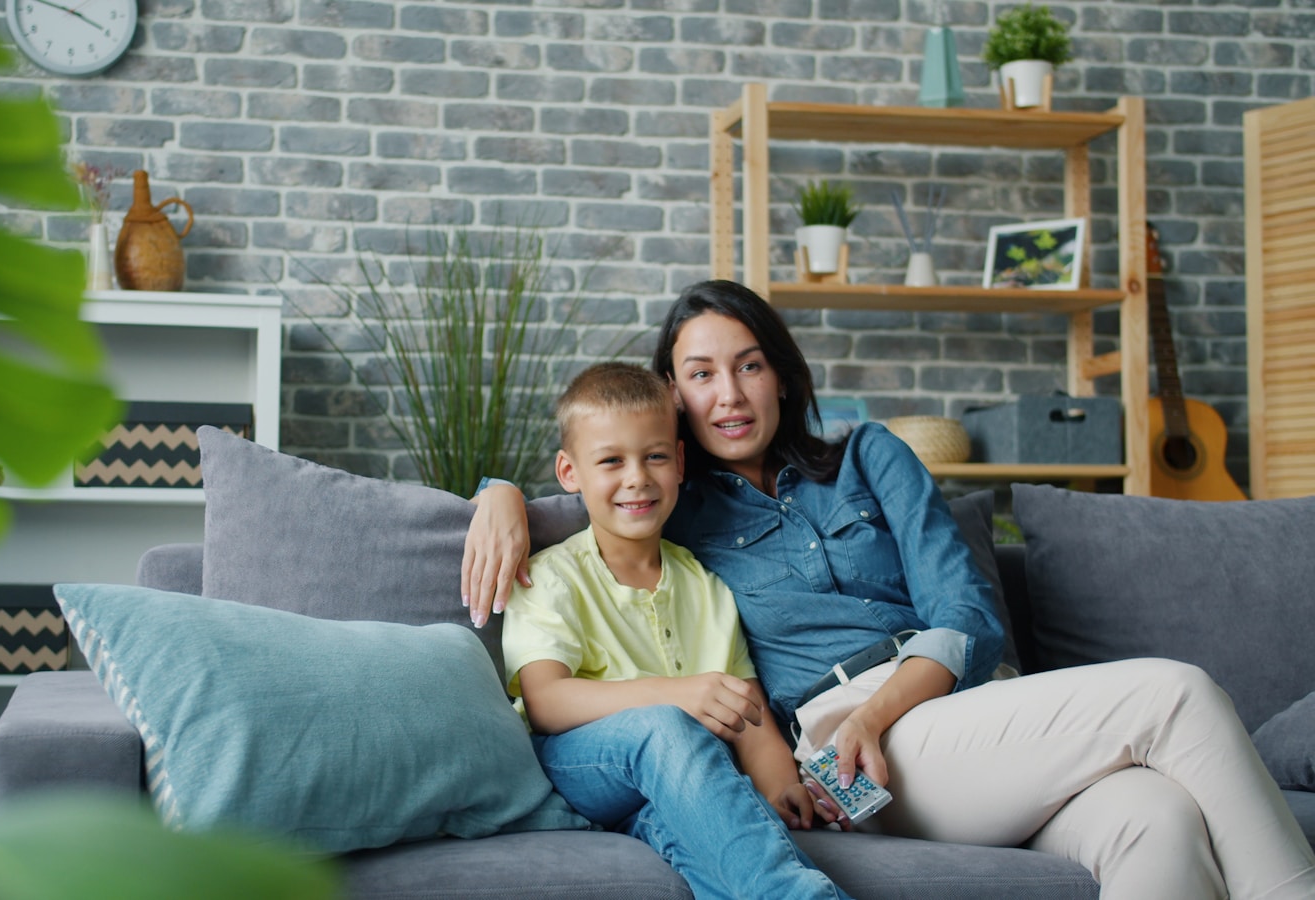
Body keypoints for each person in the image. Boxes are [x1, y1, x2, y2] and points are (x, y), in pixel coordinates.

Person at [467, 279, 1315, 900]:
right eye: (701, 374)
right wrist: (496, 493)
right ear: (674, 400)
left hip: (963, 712)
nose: (729, 394)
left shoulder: (870, 455)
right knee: (1175, 693)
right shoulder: (676, 502)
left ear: (782, 374)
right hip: (851, 749)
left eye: (750, 365)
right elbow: (594, 483)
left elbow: (967, 615)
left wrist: (881, 711)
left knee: (1156, 818)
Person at [502, 361, 852, 900]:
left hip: (679, 784)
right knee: (667, 726)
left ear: (680, 462)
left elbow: (746, 712)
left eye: (656, 456)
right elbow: (545, 701)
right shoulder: (551, 576)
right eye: (612, 461)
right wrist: (676, 695)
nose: (637, 478)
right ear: (570, 472)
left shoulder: (705, 584)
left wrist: (782, 784)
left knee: (722, 852)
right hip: (580, 766)